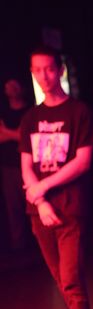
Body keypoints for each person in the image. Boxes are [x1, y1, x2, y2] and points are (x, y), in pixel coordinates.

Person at [20, 46, 93, 309]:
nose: (44, 76)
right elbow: (26, 165)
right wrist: (39, 201)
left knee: (71, 279)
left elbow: (83, 162)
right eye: (37, 70)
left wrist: (43, 188)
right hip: (40, 211)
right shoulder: (30, 118)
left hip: (70, 208)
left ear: (60, 70)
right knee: (60, 277)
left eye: (50, 69)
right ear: (32, 73)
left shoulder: (79, 112)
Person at [0, 78, 30, 253]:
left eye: (14, 85)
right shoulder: (3, 113)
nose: (11, 89)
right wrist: (16, 134)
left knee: (32, 203)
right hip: (8, 167)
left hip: (29, 166)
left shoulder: (30, 112)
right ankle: (19, 246)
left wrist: (7, 132)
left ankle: (39, 242)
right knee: (13, 207)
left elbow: (27, 137)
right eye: (8, 86)